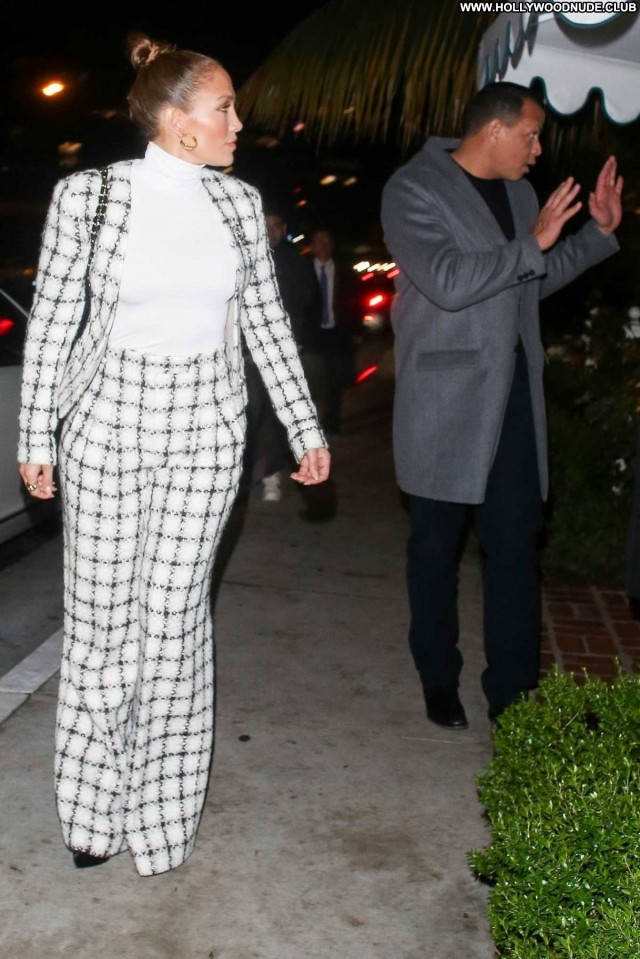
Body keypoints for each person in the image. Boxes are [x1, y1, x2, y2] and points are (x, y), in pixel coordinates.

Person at [17, 34, 330, 876]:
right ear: (178, 120)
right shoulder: (90, 196)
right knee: (100, 626)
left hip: (206, 430)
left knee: (175, 624)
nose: (238, 122)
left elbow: (266, 324)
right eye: (224, 107)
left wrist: (304, 426)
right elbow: (53, 324)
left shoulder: (238, 205)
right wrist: (35, 434)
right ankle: (91, 812)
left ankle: (160, 818)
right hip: (106, 423)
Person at [381, 82, 622, 729]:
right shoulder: (413, 189)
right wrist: (530, 245)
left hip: (514, 398)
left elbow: (528, 282)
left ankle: (513, 698)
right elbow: (448, 282)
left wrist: (597, 232)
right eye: (531, 135)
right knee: (436, 550)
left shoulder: (519, 196)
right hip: (445, 398)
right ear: (494, 130)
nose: (538, 150)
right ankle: (438, 676)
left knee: (515, 549)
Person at [243, 211, 319, 501]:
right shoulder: (245, 257)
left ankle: (271, 475)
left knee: (276, 418)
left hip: (284, 354)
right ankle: (243, 474)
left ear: (283, 228)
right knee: (248, 414)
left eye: (276, 226)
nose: (271, 231)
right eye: (266, 226)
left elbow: (305, 300)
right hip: (248, 356)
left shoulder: (295, 262)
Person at [308, 229, 361, 434]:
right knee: (314, 379)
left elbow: (355, 301)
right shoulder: (303, 269)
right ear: (312, 245)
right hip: (313, 334)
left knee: (336, 380)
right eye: (318, 240)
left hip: (338, 333)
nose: (323, 245)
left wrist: (356, 331)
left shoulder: (345, 271)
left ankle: (332, 422)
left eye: (327, 240)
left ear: (332, 244)